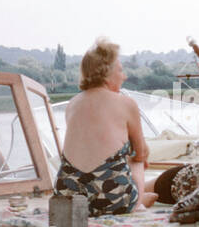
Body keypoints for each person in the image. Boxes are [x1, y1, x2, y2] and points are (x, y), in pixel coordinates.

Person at [54, 38, 156, 214]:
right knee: (136, 159)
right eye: (120, 70)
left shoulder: (72, 104)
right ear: (106, 73)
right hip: (111, 197)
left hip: (66, 197)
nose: (124, 76)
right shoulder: (126, 103)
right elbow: (141, 153)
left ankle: (133, 198)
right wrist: (137, 157)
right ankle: (137, 200)